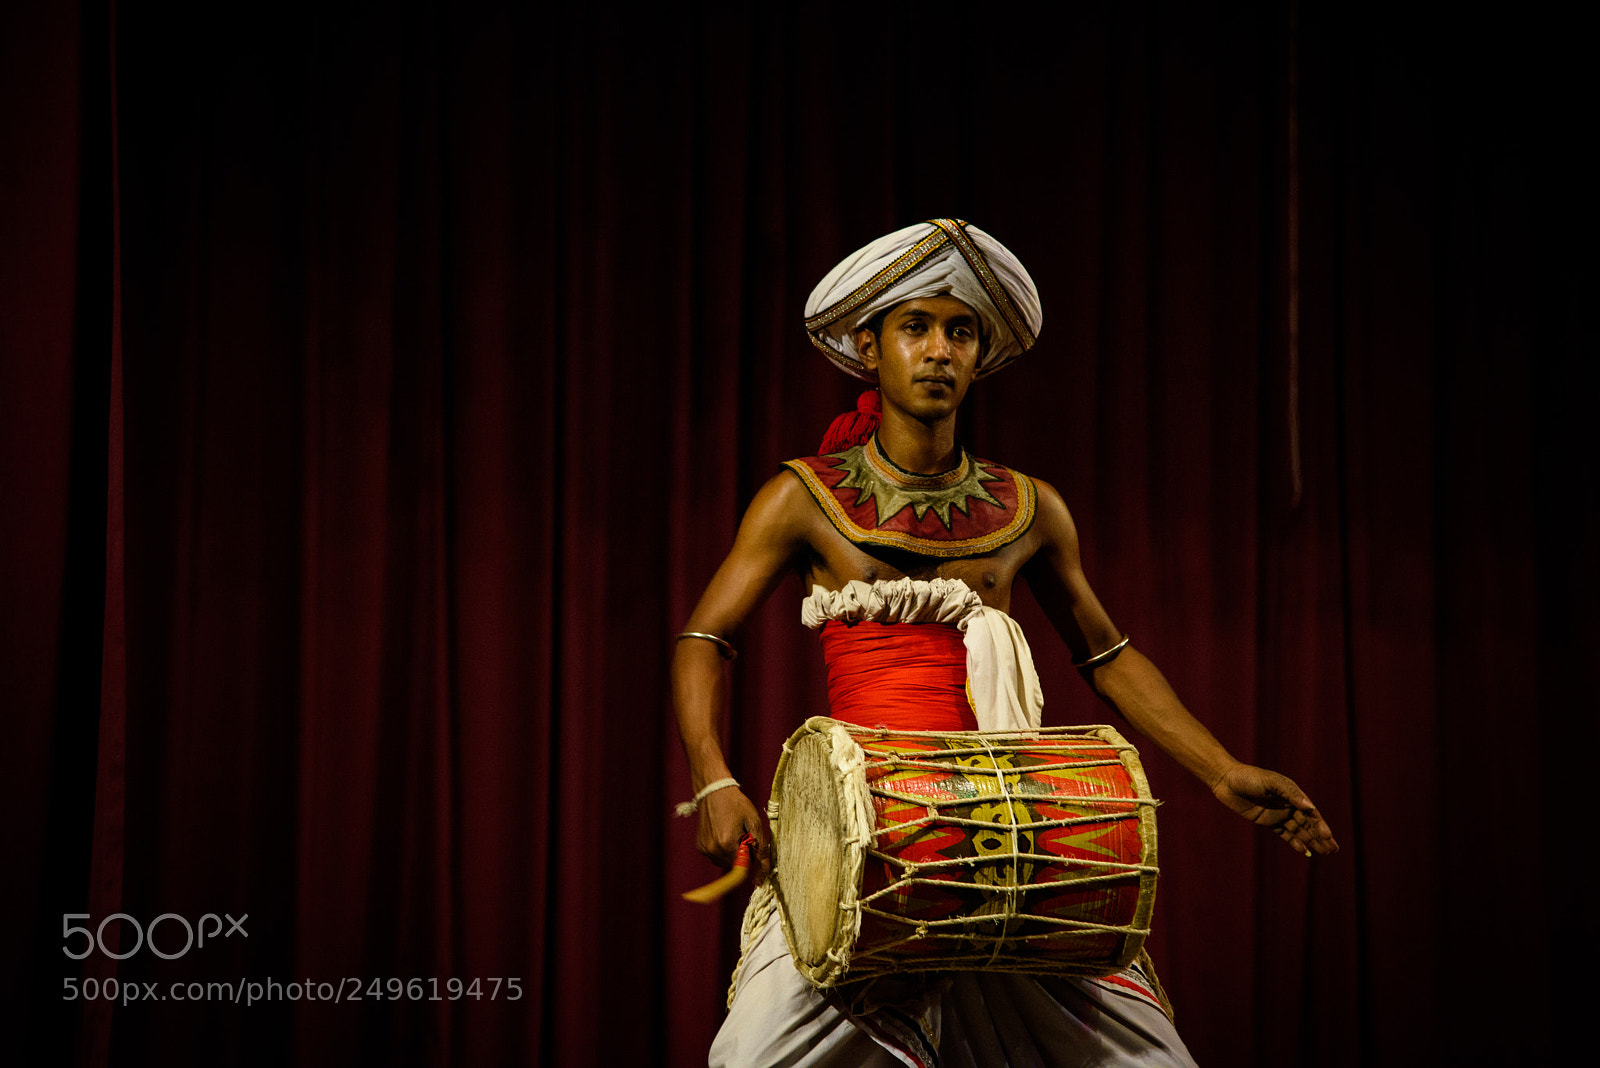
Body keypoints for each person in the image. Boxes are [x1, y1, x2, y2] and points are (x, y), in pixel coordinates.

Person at [672, 219, 1338, 1067]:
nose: (940, 350)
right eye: (915, 327)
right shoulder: (804, 498)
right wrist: (715, 776)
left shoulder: (1031, 507)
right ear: (870, 348)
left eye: (961, 331)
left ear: (981, 356)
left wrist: (1222, 770)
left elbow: (1106, 653)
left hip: (1014, 824)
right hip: (868, 835)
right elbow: (705, 634)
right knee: (753, 1059)